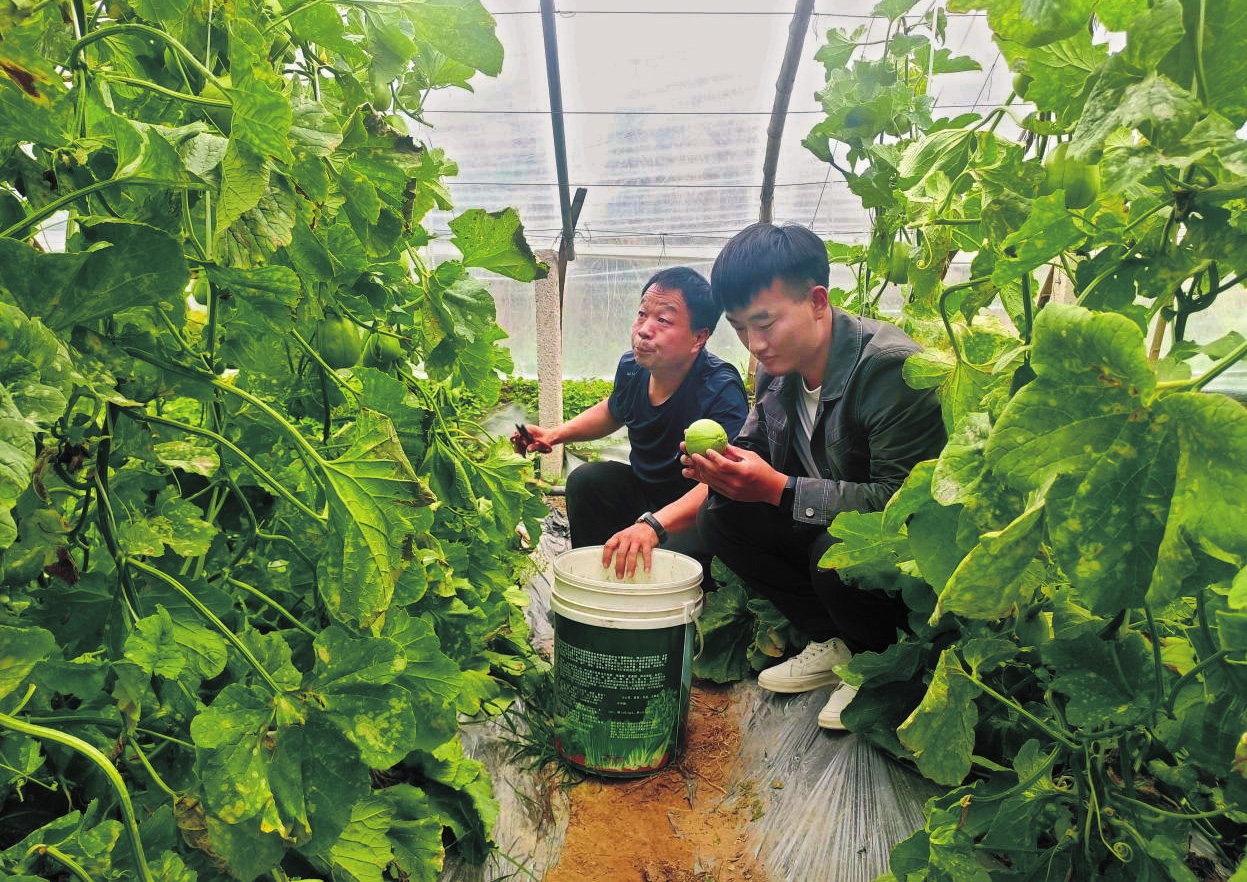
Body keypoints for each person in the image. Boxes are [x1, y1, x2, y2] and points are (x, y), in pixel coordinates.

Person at [683, 223, 946, 731]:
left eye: (764, 323)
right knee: (720, 517)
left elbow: (904, 504)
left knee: (834, 547)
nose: (755, 344)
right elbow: (757, 444)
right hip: (822, 517)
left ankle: (880, 661)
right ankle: (835, 640)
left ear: (818, 301)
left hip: (903, 553)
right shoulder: (776, 367)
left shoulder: (889, 369)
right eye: (739, 328)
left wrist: (778, 489)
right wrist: (724, 466)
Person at [514, 266, 749, 579]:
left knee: (668, 566)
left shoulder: (720, 389)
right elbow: (614, 410)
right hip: (647, 494)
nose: (644, 330)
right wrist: (554, 435)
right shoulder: (632, 367)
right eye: (642, 314)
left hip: (699, 512)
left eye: (663, 320)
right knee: (587, 480)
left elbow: (723, 482)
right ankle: (596, 581)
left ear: (698, 337)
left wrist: (654, 525)